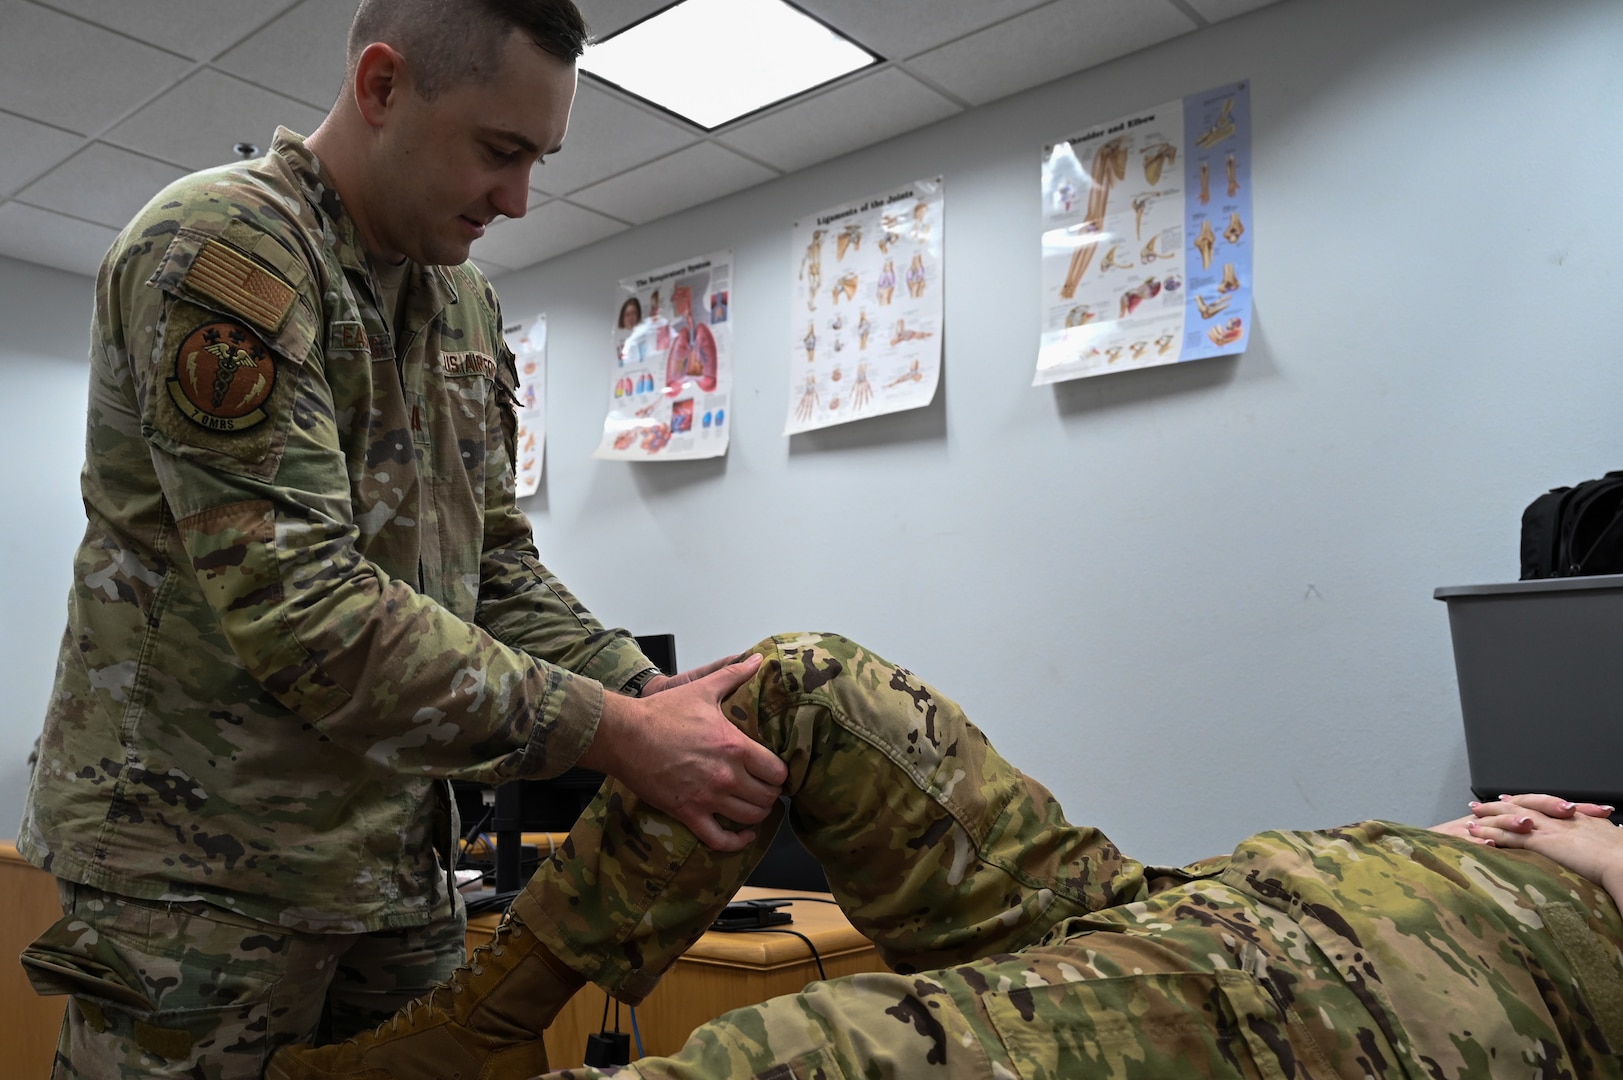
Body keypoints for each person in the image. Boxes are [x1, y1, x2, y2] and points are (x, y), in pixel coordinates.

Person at [15, 2, 787, 1077]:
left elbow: (496, 568)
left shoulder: (462, 307)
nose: (519, 200)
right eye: (500, 151)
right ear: (382, 87)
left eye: (540, 160)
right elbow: (306, 615)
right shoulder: (225, 253)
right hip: (195, 876)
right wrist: (612, 732)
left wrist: (646, 696)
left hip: (391, 863)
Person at [271, 632, 1623, 1080]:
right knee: (798, 685)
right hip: (1206, 893)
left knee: (845, 1050)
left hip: (1314, 985)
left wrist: (1588, 862)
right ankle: (472, 1037)